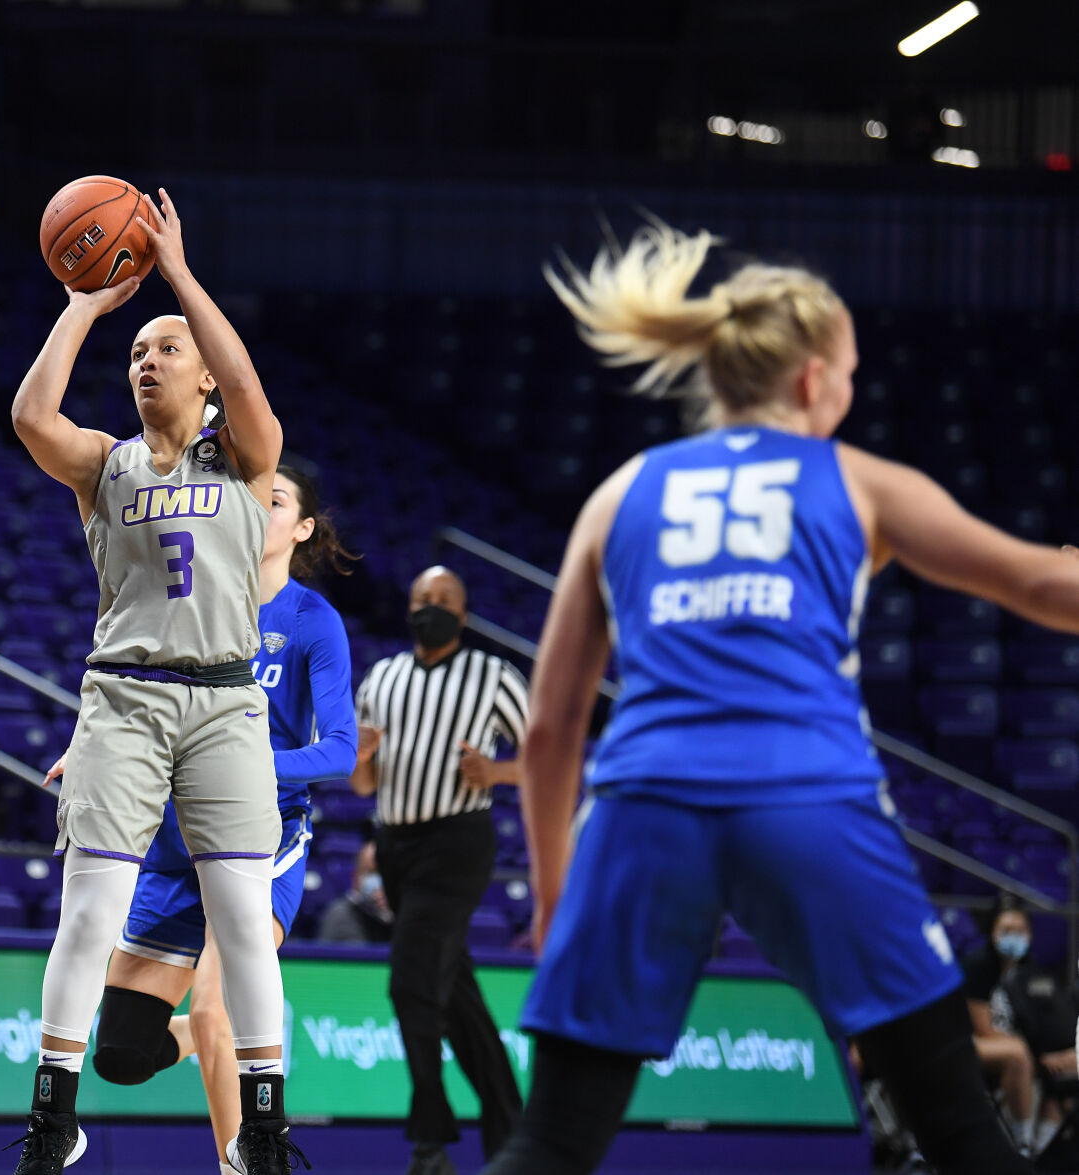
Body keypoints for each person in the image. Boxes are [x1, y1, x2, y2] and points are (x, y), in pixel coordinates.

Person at [480, 220, 1075, 1175]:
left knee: (547, 1143)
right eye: (847, 370)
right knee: (963, 1133)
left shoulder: (620, 490)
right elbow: (1044, 589)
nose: (849, 387)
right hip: (804, 797)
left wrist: (557, 899)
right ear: (810, 380)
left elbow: (550, 730)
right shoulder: (858, 479)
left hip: (644, 809)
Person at [7, 188, 298, 1175]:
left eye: (164, 349)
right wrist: (88, 301)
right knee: (85, 911)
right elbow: (28, 413)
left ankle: (261, 1127)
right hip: (123, 697)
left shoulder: (246, 461)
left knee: (241, 932)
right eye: (138, 353)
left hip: (223, 701)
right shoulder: (104, 463)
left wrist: (175, 277)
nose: (146, 360)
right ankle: (52, 1118)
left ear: (205, 375)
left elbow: (252, 387)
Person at [52, 465, 355, 1173]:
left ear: (302, 528)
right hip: (171, 839)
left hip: (259, 832)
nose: (259, 504)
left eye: (275, 499)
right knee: (122, 1054)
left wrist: (243, 770)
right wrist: (92, 747)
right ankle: (197, 1036)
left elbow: (339, 749)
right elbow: (128, 679)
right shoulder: (190, 595)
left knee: (220, 1013)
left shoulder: (312, 621)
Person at [350, 565, 528, 1175]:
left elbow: (545, 757)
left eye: (443, 599)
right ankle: (514, 1132)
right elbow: (362, 782)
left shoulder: (495, 675)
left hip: (457, 840)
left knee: (411, 981)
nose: (431, 606)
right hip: (395, 843)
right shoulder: (383, 678)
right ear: (408, 609)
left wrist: (498, 773)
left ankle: (430, 1140)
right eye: (422, 597)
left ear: (464, 611)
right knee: (453, 993)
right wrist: (361, 761)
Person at [963, 902, 1077, 1154]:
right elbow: (983, 1028)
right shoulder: (978, 965)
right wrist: (1041, 1056)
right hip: (970, 1042)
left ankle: (1044, 1150)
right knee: (1017, 1054)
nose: (1013, 937)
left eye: (1019, 930)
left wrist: (1065, 1053)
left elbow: (1049, 1023)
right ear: (992, 932)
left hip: (1024, 1045)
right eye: (1006, 930)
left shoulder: (1031, 971)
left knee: (1070, 1064)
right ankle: (1021, 1144)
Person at [316, 842, 393, 946]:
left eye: (383, 873)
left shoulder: (406, 910)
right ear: (355, 877)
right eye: (370, 873)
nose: (378, 882)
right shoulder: (341, 915)